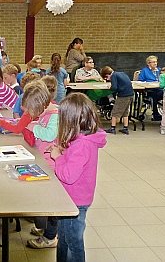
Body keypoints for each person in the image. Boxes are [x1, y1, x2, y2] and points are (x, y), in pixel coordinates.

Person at [49, 92, 107, 262]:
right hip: (70, 197)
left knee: (73, 242)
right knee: (64, 239)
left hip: (76, 200)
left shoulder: (82, 144)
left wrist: (57, 157)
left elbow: (68, 175)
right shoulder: (81, 137)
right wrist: (62, 151)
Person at [100, 66, 134, 135]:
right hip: (130, 95)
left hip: (123, 96)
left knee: (114, 112)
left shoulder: (113, 76)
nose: (107, 79)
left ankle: (112, 128)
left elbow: (114, 87)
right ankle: (125, 128)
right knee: (125, 112)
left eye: (106, 78)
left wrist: (110, 88)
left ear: (107, 75)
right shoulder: (121, 73)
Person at [138, 55, 163, 121]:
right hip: (149, 90)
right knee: (154, 95)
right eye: (153, 62)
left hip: (159, 88)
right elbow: (140, 81)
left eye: (156, 62)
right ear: (148, 63)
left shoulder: (159, 70)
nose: (155, 63)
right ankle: (155, 114)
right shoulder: (144, 71)